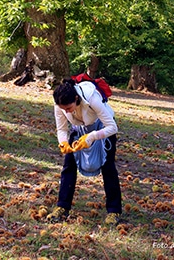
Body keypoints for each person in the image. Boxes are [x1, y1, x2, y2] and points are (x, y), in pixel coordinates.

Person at [47, 78, 122, 225]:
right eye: (63, 109)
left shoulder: (92, 98)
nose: (66, 111)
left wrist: (92, 137)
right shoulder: (60, 104)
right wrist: (63, 143)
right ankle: (62, 206)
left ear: (76, 98)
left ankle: (114, 211)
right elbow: (62, 128)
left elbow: (112, 127)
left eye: (68, 108)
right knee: (68, 165)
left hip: (102, 128)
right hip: (79, 128)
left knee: (108, 168)